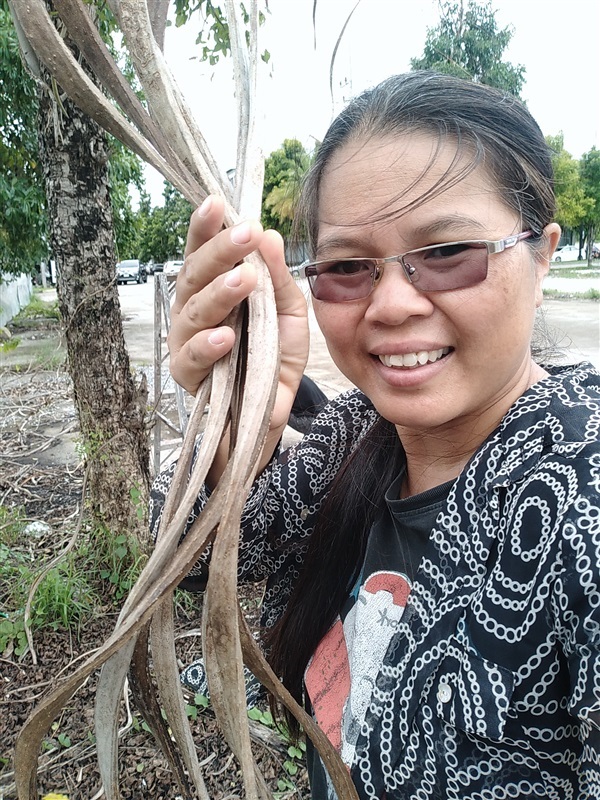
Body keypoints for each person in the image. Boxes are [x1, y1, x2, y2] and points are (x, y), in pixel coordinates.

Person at [151, 71, 600, 799]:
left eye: (450, 250)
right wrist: (235, 422)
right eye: (349, 267)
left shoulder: (580, 504)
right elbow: (192, 558)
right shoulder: (357, 434)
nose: (391, 304)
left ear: (541, 254)